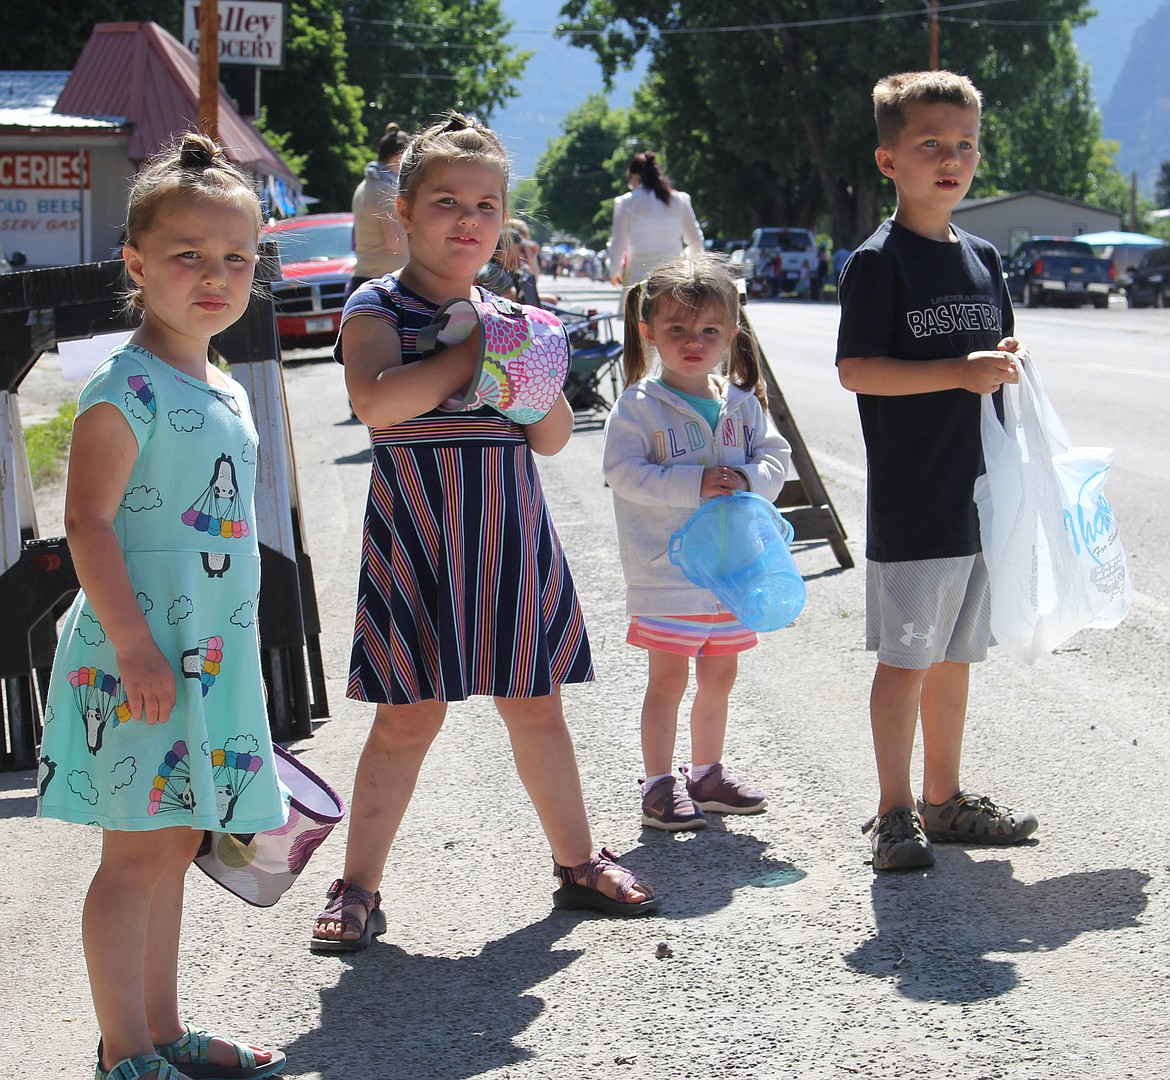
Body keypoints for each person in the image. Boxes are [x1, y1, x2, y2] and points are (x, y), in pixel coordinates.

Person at [311, 111, 659, 952]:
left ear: (504, 220)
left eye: (488, 205)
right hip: (419, 532)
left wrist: (528, 366)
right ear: (403, 212)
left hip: (507, 531)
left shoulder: (517, 316)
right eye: (446, 202)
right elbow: (378, 405)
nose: (468, 220)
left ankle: (577, 862)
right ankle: (357, 885)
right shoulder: (375, 305)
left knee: (535, 708)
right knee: (408, 718)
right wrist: (471, 357)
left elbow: (546, 436)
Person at [36, 133, 288, 1080]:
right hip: (139, 659)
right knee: (135, 859)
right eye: (187, 256)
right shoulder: (119, 384)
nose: (214, 276)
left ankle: (160, 1032)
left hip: (203, 661)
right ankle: (124, 1054)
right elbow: (86, 524)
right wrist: (139, 650)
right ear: (136, 265)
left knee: (177, 844)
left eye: (235, 258)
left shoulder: (223, 381)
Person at [835, 70, 1039, 872]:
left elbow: (994, 357)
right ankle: (893, 811)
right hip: (917, 502)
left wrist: (1002, 365)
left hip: (977, 497)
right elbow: (858, 370)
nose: (950, 159)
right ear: (889, 161)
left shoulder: (986, 258)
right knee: (909, 661)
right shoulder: (879, 263)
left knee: (956, 660)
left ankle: (944, 799)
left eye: (963, 145)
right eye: (929, 145)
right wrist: (959, 370)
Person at [602, 254, 791, 831]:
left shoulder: (742, 403)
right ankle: (659, 783)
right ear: (648, 332)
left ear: (731, 335)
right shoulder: (637, 407)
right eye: (677, 329)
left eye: (709, 330)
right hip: (669, 575)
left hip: (733, 573)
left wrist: (753, 480)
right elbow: (623, 473)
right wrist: (694, 485)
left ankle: (706, 773)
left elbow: (775, 459)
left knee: (720, 675)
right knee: (668, 679)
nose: (694, 341)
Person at [608, 151, 704, 299]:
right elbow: (696, 241)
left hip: (639, 276)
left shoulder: (627, 202)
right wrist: (690, 267)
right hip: (674, 276)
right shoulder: (680, 200)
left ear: (634, 176)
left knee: (636, 318)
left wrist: (615, 271)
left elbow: (618, 242)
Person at [349, 121, 411, 295]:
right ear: (398, 156)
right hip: (382, 284)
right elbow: (395, 242)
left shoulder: (366, 184)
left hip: (366, 277)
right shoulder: (386, 189)